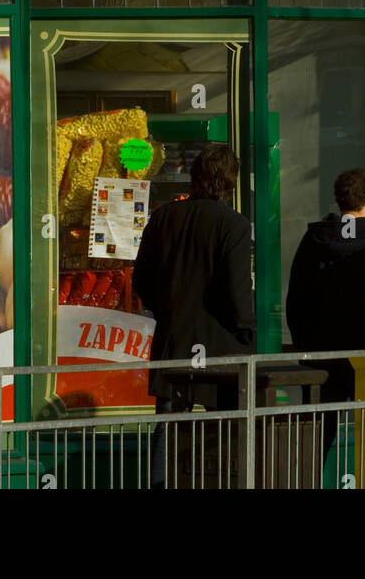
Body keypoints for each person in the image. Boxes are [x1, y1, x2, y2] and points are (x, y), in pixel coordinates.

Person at [133, 144, 254, 487]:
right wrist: (247, 328)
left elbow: (141, 278)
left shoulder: (163, 217)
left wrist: (168, 310)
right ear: (229, 184)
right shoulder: (234, 225)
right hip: (221, 344)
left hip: (174, 340)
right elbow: (238, 291)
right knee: (225, 431)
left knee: (168, 427)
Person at [285, 167, 365, 458]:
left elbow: (296, 299)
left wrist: (305, 345)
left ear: (340, 202)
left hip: (321, 357)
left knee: (315, 441)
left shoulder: (314, 239)